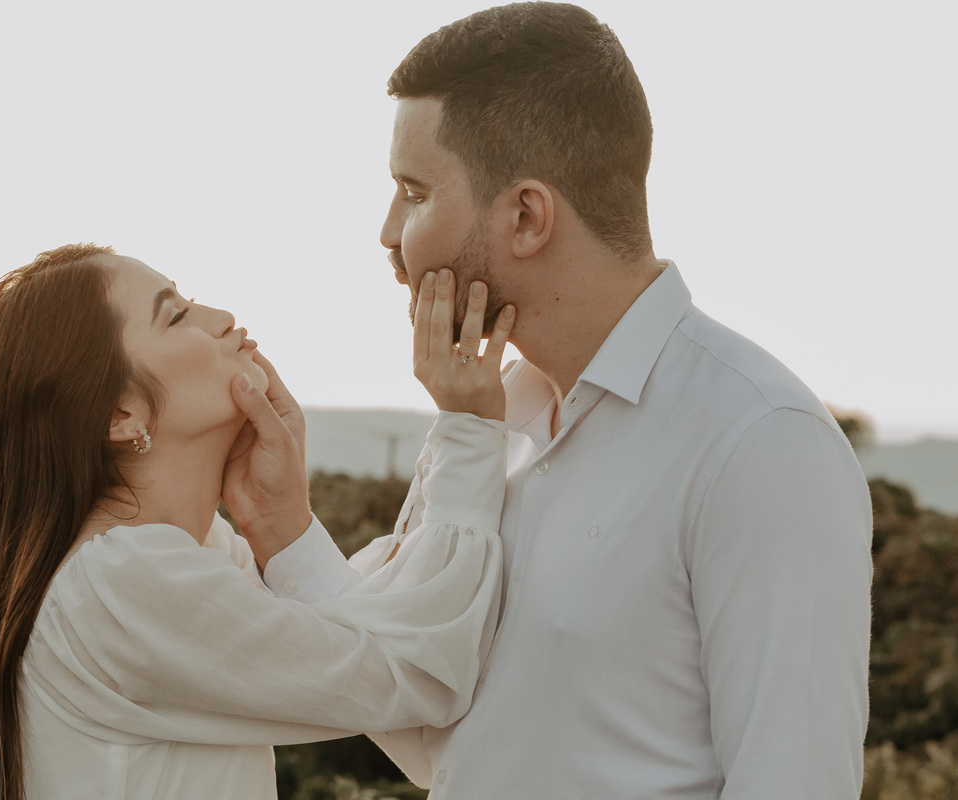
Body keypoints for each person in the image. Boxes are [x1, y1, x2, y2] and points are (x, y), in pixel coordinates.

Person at [231, 3, 874, 797]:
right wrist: (283, 530)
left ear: (526, 216)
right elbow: (429, 722)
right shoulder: (481, 424)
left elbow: (794, 780)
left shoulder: (761, 440)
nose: (389, 230)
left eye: (414, 191)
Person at [0, 243, 517, 800]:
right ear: (119, 416)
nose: (222, 318)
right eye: (175, 316)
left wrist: (281, 527)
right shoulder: (121, 581)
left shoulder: (193, 556)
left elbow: (403, 704)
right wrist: (469, 428)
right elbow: (418, 678)